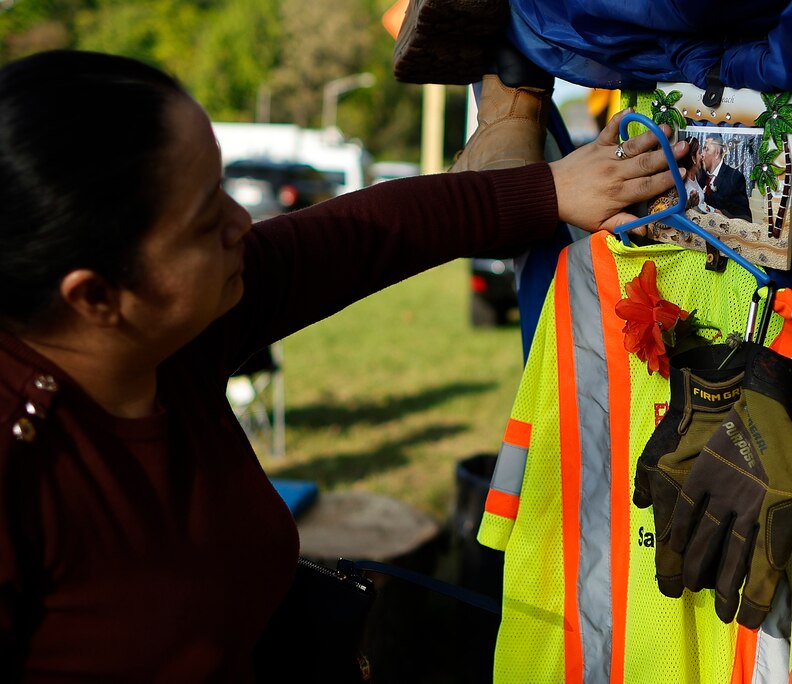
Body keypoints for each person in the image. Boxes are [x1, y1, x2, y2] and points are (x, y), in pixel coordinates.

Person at [0, 49, 687, 681]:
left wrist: (544, 191)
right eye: (207, 221)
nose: (246, 225)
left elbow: (355, 237)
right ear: (95, 298)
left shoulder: (172, 329)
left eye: (226, 189)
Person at [700, 133, 752, 223]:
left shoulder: (734, 177)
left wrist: (725, 216)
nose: (702, 155)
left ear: (717, 153)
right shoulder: (701, 176)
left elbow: (746, 218)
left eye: (706, 149)